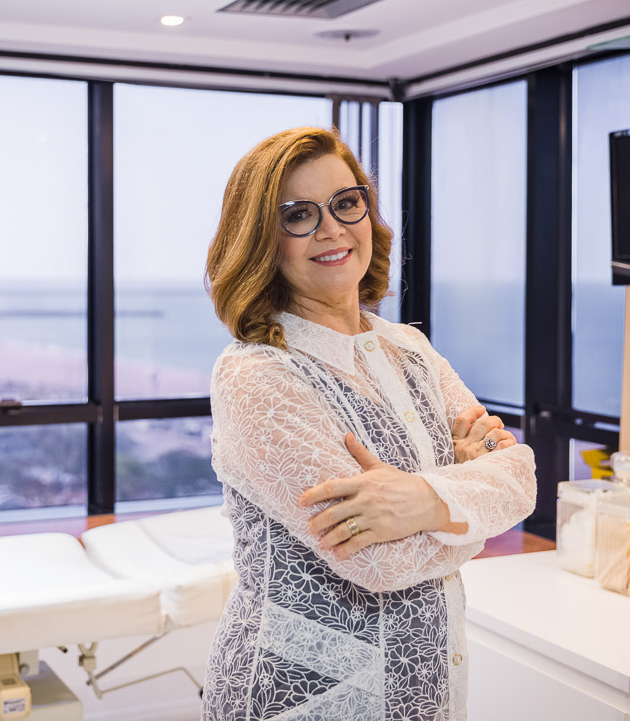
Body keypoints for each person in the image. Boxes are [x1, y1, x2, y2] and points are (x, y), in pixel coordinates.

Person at [202, 127, 537, 720]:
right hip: (304, 697)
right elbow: (379, 561)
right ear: (261, 240)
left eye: (345, 203)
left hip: (425, 687)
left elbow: (520, 479)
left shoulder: (409, 349)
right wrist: (465, 497)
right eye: (299, 215)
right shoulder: (258, 374)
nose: (331, 229)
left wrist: (419, 501)